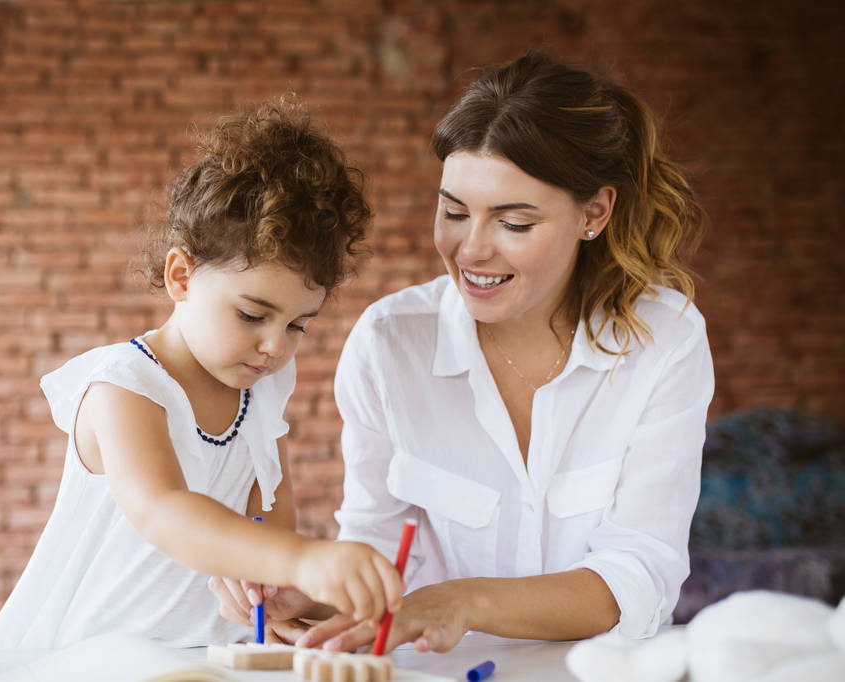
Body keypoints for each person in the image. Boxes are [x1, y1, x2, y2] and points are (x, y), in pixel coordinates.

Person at [209, 50, 714, 653]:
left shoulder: (664, 340)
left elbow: (638, 573)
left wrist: (463, 599)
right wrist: (311, 589)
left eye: (514, 224)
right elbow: (378, 544)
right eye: (453, 212)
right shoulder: (390, 343)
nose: (470, 251)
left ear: (594, 213)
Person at [0, 96, 405, 651]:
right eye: (252, 314)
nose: (275, 346)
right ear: (180, 275)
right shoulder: (124, 386)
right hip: (98, 657)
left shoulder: (260, 393)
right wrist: (304, 559)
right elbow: (164, 511)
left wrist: (286, 587)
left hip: (208, 656)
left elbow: (269, 528)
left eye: (300, 324)